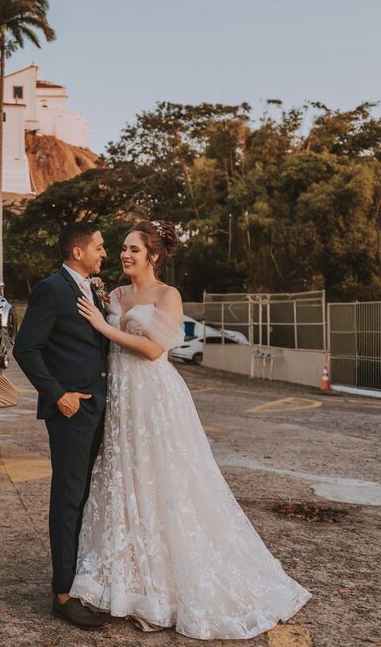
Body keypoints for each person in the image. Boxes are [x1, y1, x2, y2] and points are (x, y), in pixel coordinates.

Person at [70, 220, 310, 639]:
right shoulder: (116, 294)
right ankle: (132, 585)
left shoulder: (168, 295)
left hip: (155, 398)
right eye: (123, 248)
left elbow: (152, 349)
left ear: (154, 256)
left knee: (166, 483)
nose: (125, 255)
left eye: (134, 250)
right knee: (126, 481)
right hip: (122, 399)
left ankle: (166, 588)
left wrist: (103, 326)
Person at [12, 221, 112, 630]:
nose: (104, 254)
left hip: (98, 410)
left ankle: (79, 582)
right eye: (99, 247)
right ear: (77, 252)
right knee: (68, 500)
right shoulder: (51, 289)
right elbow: (26, 348)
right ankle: (63, 596)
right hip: (71, 414)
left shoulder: (92, 289)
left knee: (85, 497)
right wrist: (58, 395)